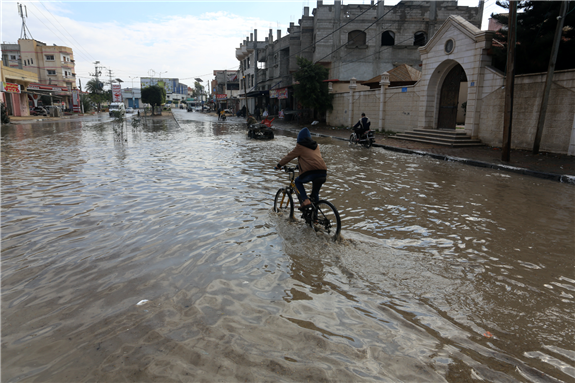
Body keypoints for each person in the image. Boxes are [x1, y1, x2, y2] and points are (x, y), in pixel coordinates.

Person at [275, 127, 327, 208]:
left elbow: (289, 157)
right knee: (315, 196)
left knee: (297, 181)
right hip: (323, 172)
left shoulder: (300, 146)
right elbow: (312, 159)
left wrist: (278, 165)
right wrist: (298, 166)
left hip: (311, 172)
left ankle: (305, 200)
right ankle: (315, 219)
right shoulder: (316, 146)